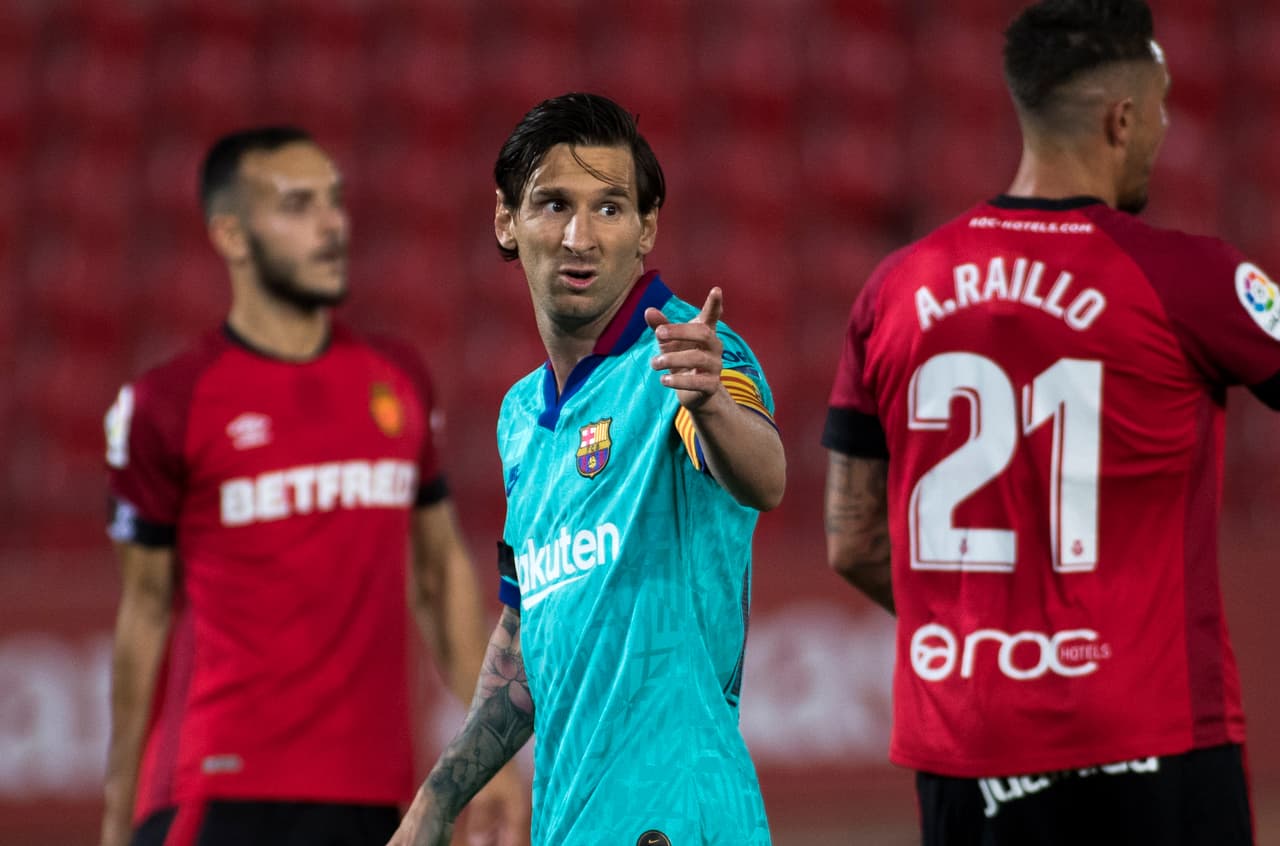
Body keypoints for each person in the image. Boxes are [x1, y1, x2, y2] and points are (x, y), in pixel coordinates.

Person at [823, 1, 1273, 843]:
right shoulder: (1190, 279)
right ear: (1124, 117)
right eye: (1164, 109)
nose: (1168, 130)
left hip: (969, 747)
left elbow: (852, 543)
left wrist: (990, 623)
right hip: (1155, 736)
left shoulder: (893, 290)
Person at [100, 126, 528, 846]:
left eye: (334, 202)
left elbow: (439, 573)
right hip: (216, 793)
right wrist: (117, 815)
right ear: (231, 234)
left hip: (376, 798)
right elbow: (143, 616)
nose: (333, 225)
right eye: (298, 206)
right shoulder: (167, 403)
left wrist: (490, 759)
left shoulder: (397, 379)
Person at [387, 92, 786, 846]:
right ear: (506, 220)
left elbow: (761, 476)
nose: (581, 236)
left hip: (679, 822)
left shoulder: (690, 355)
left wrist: (711, 406)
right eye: (553, 205)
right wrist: (436, 803)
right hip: (568, 822)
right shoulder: (520, 418)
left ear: (646, 229)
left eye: (610, 208)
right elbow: (526, 630)